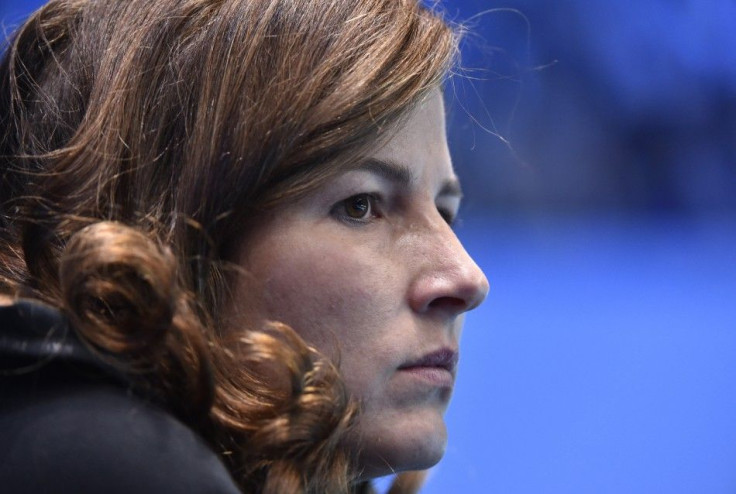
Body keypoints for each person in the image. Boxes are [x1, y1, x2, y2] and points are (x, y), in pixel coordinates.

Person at [0, 0, 489, 492]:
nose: (467, 278)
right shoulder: (109, 463)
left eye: (445, 211)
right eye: (361, 205)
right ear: (167, 237)